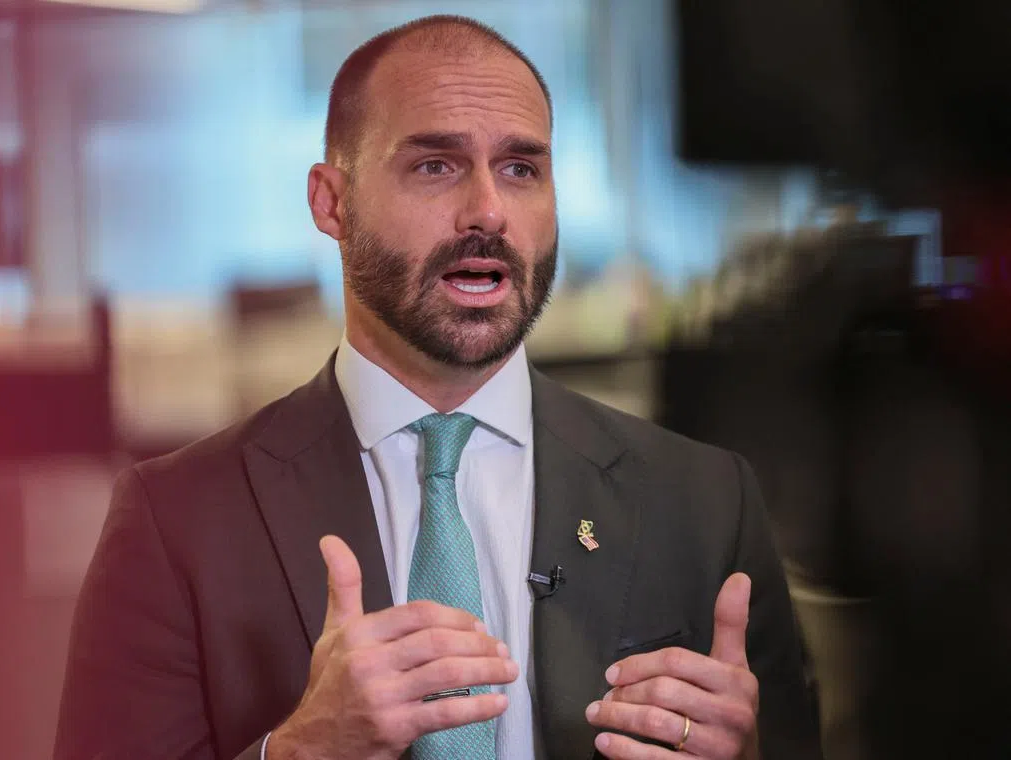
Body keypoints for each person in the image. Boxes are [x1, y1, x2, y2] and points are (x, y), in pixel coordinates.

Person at [54, 15, 821, 760]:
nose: (487, 210)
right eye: (435, 165)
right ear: (332, 202)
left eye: (522, 168)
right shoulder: (176, 523)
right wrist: (299, 755)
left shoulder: (705, 500)